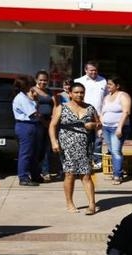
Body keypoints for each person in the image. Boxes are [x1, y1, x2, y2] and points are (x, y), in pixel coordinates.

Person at [49, 82, 100, 214]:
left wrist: (93, 125)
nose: (79, 95)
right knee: (70, 174)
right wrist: (54, 142)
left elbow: (99, 124)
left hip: (85, 145)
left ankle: (92, 205)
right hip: (67, 145)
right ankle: (69, 203)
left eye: (81, 92)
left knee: (86, 175)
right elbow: (52, 125)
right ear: (70, 94)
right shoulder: (62, 107)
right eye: (76, 92)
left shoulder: (90, 108)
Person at [75, 61, 107, 170]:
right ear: (86, 70)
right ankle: (83, 161)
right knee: (83, 138)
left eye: (95, 70)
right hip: (84, 113)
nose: (93, 72)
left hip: (99, 114)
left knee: (98, 139)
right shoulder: (79, 81)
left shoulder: (103, 81)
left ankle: (97, 161)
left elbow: (106, 98)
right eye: (91, 70)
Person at [100, 75, 131, 185]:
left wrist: (119, 127)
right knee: (112, 151)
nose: (108, 86)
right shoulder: (107, 97)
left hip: (117, 128)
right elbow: (102, 112)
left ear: (117, 86)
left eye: (110, 84)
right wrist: (101, 126)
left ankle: (118, 175)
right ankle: (115, 172)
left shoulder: (123, 96)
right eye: (107, 84)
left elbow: (126, 112)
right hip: (106, 127)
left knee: (116, 151)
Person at [12, 75, 42, 186]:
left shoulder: (27, 96)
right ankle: (23, 177)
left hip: (32, 125)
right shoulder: (21, 98)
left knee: (34, 153)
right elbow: (34, 113)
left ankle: (35, 175)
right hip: (25, 125)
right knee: (26, 153)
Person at [33, 70, 57, 182]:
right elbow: (33, 107)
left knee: (47, 148)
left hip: (49, 123)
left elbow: (56, 105)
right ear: (36, 80)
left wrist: (53, 118)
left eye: (45, 80)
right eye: (41, 80)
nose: (43, 82)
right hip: (37, 122)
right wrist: (42, 120)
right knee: (37, 148)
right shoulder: (32, 91)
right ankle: (35, 171)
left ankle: (46, 171)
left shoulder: (49, 92)